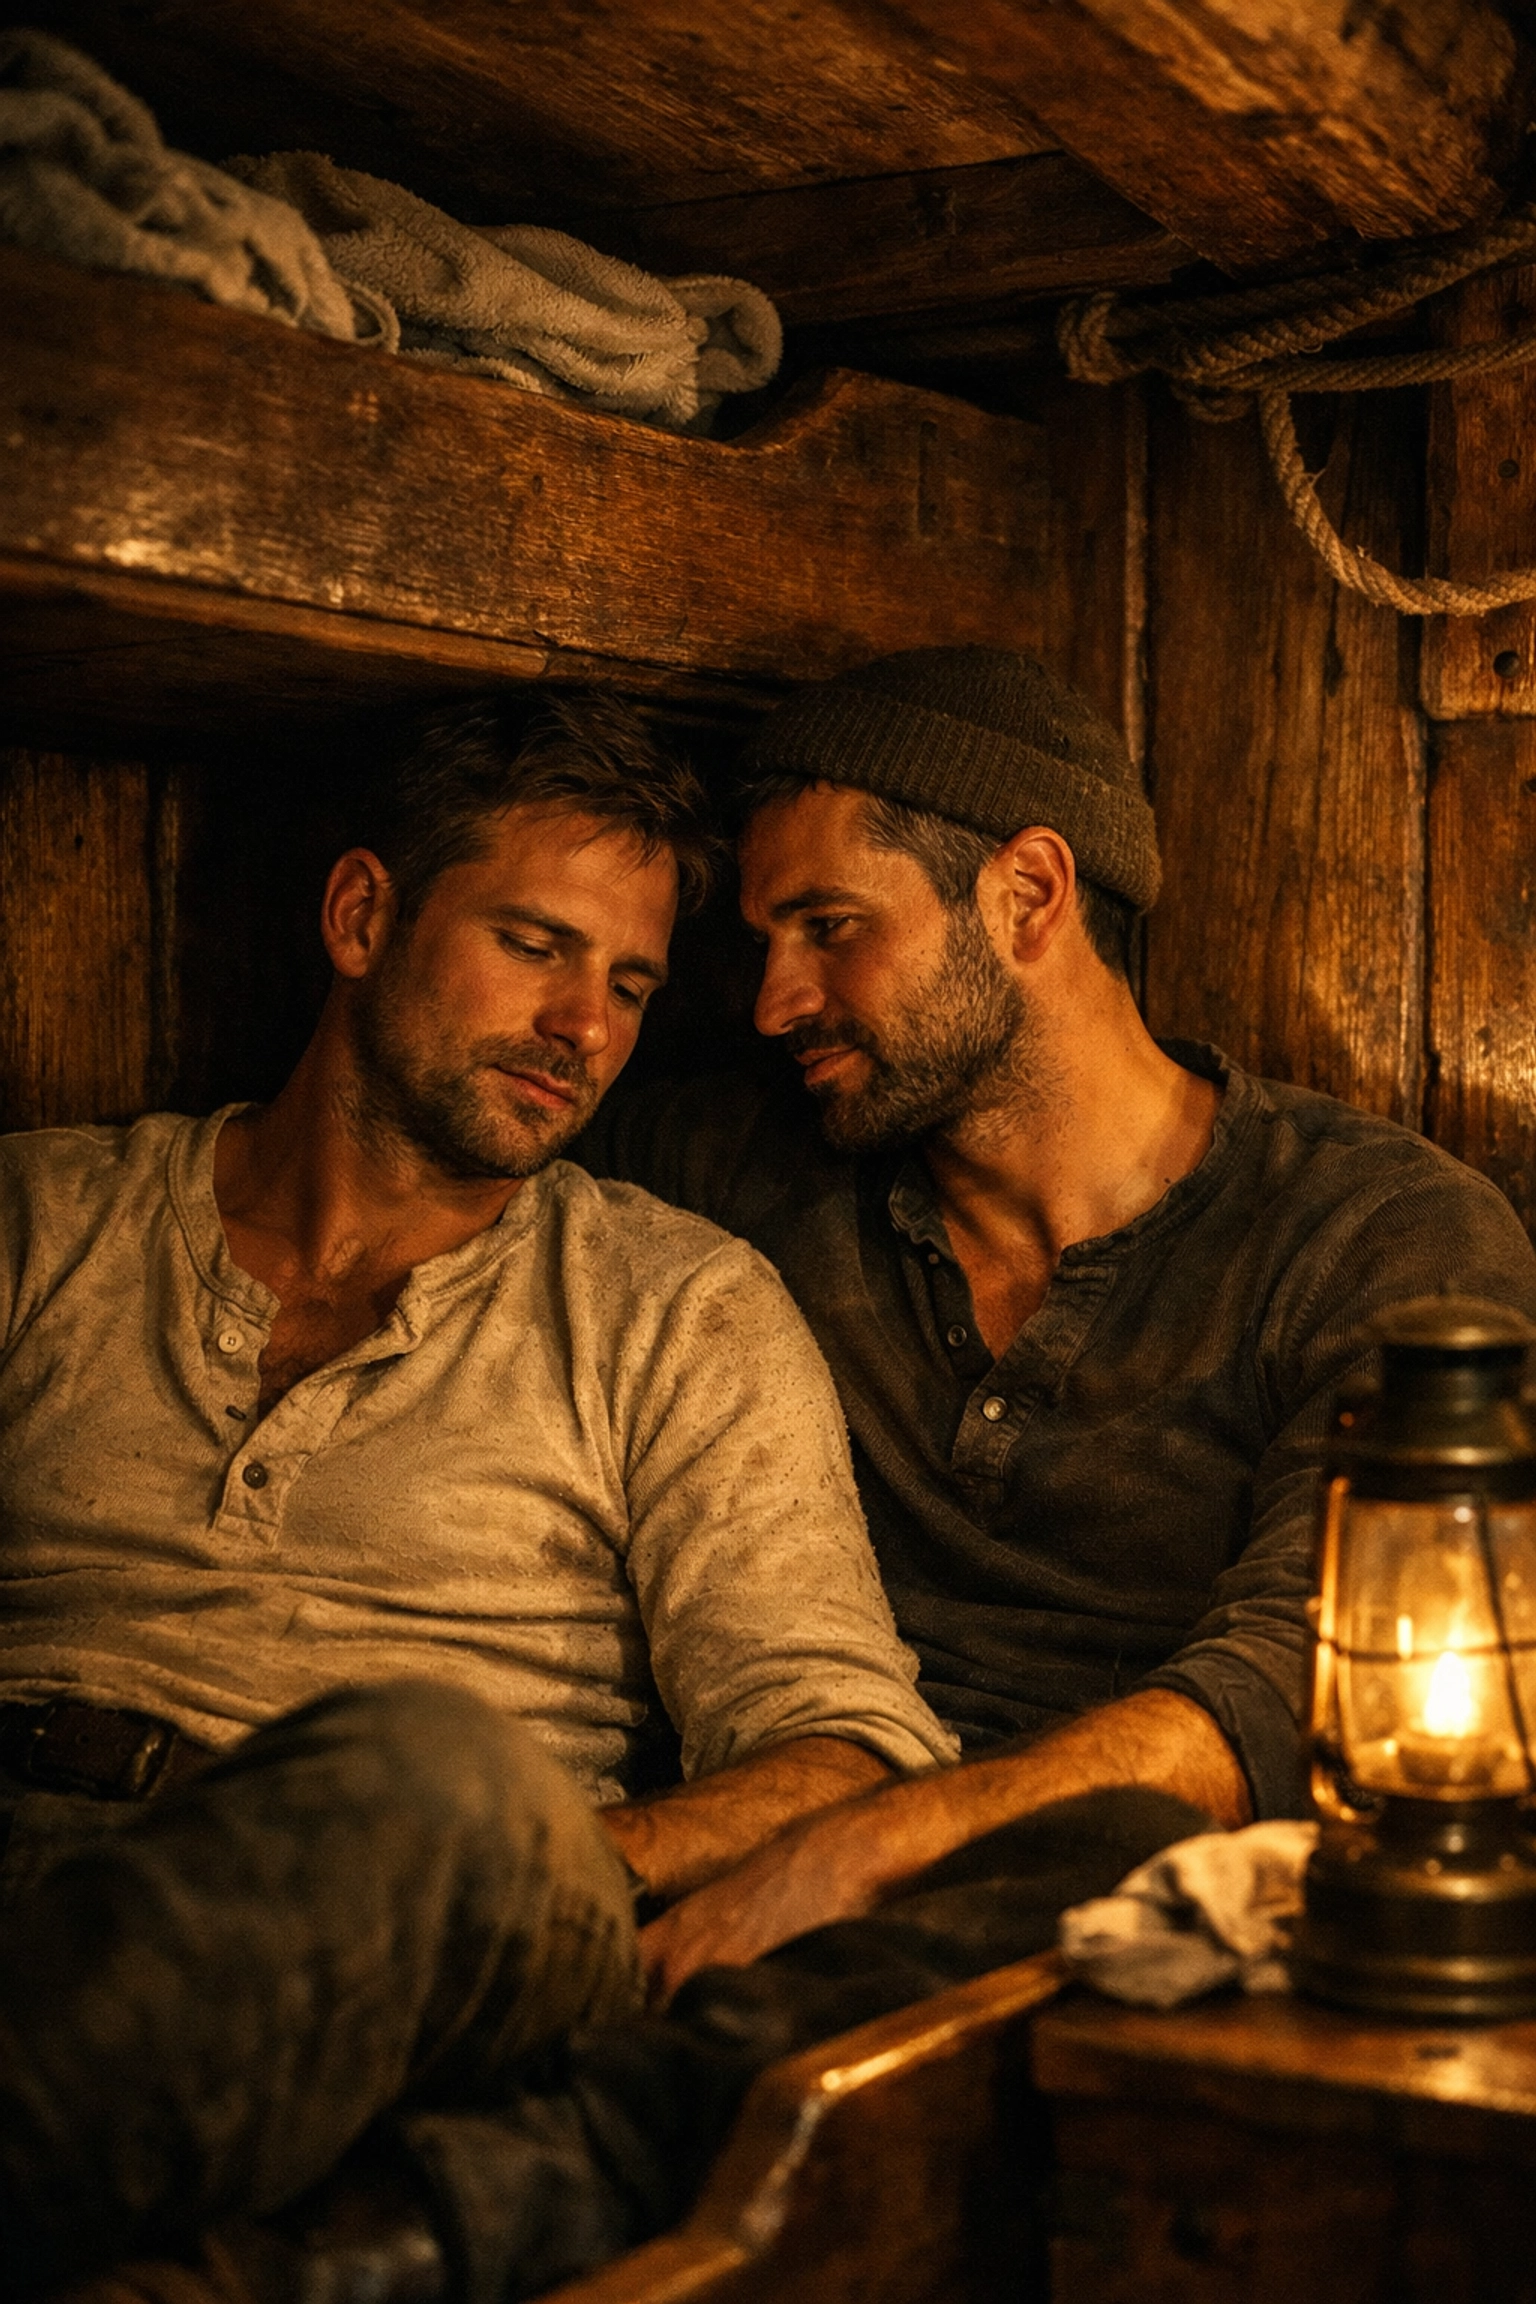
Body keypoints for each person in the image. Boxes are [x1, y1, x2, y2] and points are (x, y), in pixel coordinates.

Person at [0, 691, 954, 2295]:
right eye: (535, 946)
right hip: (48, 1860)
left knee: (426, 1770)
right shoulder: (44, 1220)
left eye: (630, 985)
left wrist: (548, 1854)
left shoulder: (672, 1305)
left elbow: (849, 1748)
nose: (585, 1028)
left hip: (439, 1909)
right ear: (363, 917)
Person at [576, 644, 1536, 1996]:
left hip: (1091, 1919)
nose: (775, 1002)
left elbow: (1298, 1678)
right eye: (763, 944)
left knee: (1127, 1849)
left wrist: (879, 1845)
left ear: (1028, 894)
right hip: (752, 1839)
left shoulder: (1374, 1232)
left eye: (830, 926)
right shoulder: (733, 1167)